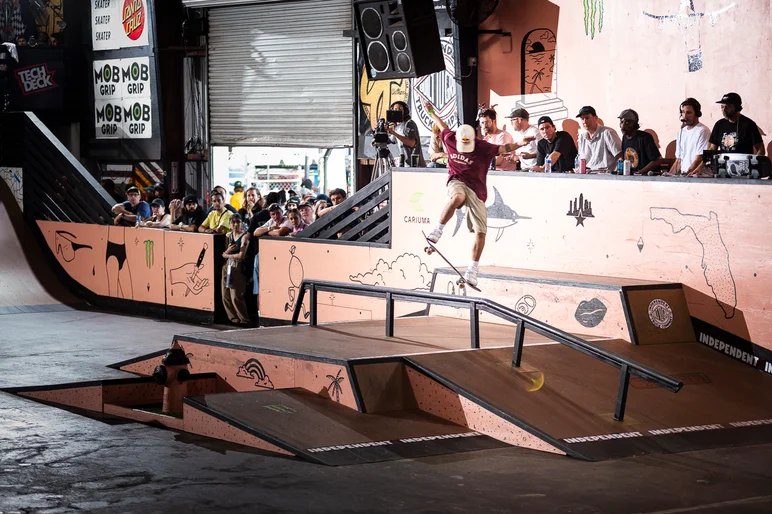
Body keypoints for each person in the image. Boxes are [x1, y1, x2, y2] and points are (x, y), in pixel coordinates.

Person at [424, 100, 535, 287]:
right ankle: (437, 229)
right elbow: (441, 124)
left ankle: (472, 270)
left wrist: (519, 143)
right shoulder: (450, 138)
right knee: (458, 197)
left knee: (481, 232)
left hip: (477, 189)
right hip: (457, 181)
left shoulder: (482, 146)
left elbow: (503, 148)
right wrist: (430, 110)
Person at [666, 98, 711, 176]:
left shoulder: (703, 131)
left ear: (697, 114)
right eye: (683, 112)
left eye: (688, 113)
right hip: (685, 175)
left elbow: (699, 158)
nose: (685, 116)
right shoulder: (681, 132)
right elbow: (679, 160)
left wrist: (687, 175)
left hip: (697, 176)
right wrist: (669, 176)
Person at [221, 213, 251, 325]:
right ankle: (233, 319)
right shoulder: (229, 236)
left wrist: (227, 255)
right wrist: (227, 253)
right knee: (225, 294)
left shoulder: (244, 236)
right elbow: (224, 252)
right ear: (229, 224)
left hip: (237, 266)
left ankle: (244, 319)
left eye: (238, 222)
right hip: (227, 266)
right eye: (233, 222)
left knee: (236, 295)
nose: (235, 224)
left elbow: (241, 255)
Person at [576, 106, 622, 173]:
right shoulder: (582, 137)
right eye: (582, 119)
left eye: (587, 118)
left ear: (595, 118)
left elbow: (620, 156)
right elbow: (581, 160)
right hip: (587, 175)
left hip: (605, 176)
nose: (584, 121)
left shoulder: (607, 133)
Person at [618, 109, 662, 175]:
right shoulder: (624, 138)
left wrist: (640, 172)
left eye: (627, 122)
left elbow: (656, 161)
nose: (623, 126)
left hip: (646, 178)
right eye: (621, 122)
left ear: (634, 124)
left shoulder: (645, 137)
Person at [386, 101, 426, 167]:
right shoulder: (396, 127)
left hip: (415, 165)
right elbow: (391, 140)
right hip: (404, 165)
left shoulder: (409, 123)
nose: (397, 111)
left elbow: (411, 143)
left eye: (400, 109)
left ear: (405, 112)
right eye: (395, 109)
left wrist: (394, 133)